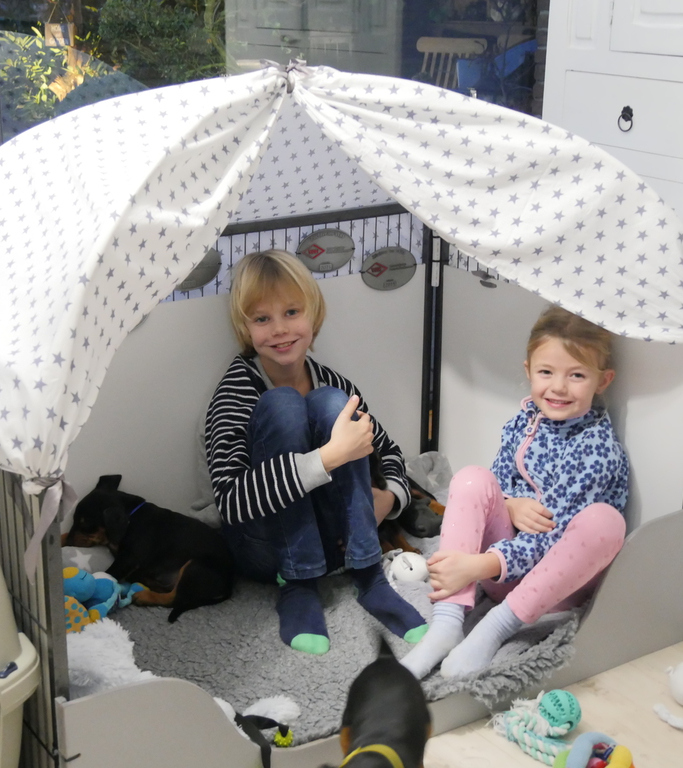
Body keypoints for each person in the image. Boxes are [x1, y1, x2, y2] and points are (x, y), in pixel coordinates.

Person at [203, 249, 428, 656]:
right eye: (262, 319)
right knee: (283, 406)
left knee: (330, 402)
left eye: (292, 312)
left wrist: (388, 500)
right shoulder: (236, 391)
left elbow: (388, 451)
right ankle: (299, 585)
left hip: (339, 542)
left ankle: (369, 575)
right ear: (245, 327)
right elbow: (231, 503)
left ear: (313, 314)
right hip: (266, 549)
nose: (280, 329)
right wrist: (327, 458)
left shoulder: (332, 382)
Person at [401, 305, 630, 680]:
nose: (558, 387)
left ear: (602, 381)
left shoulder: (596, 449)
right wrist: (509, 505)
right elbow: (497, 484)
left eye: (576, 375)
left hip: (556, 590)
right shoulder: (523, 422)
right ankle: (446, 623)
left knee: (606, 522)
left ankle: (495, 627)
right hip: (502, 576)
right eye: (546, 372)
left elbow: (554, 537)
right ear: (529, 371)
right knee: (472, 478)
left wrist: (479, 565)